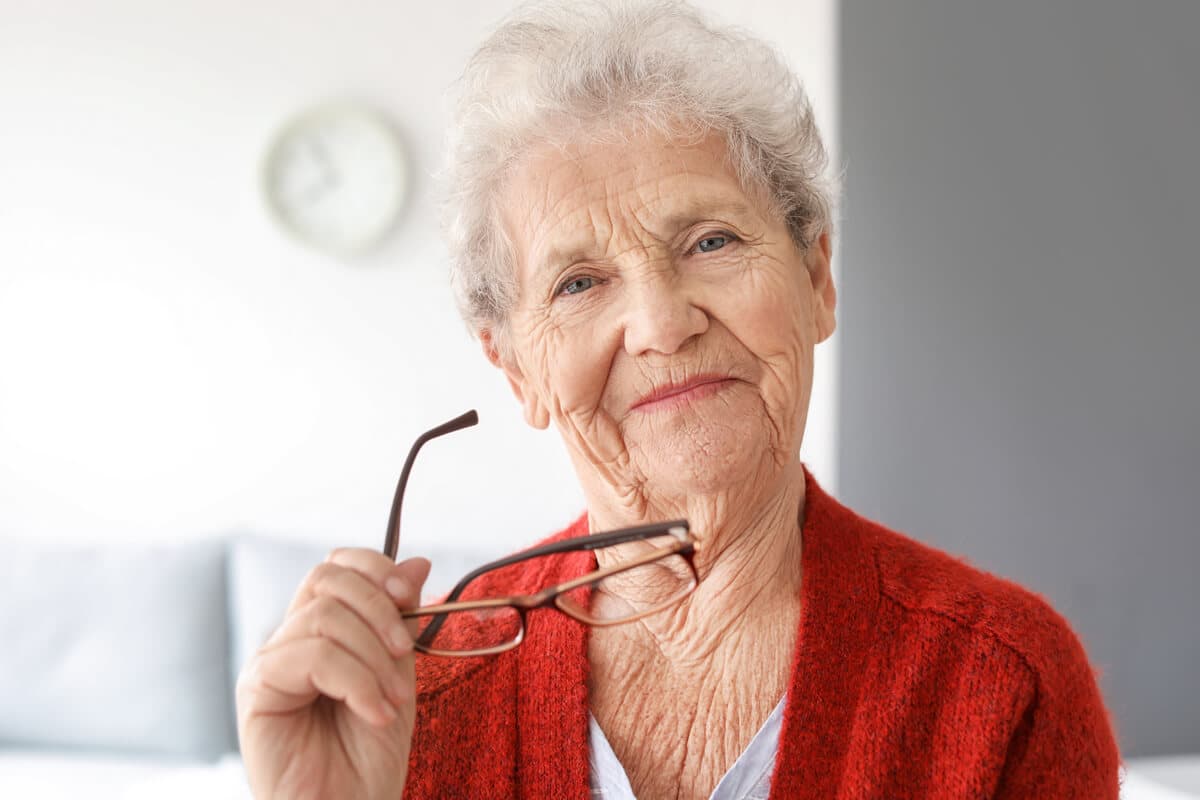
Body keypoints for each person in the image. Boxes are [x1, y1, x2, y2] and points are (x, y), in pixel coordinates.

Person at [235, 1, 1122, 797]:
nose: (660, 323)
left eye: (709, 240)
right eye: (579, 284)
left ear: (817, 279)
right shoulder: (414, 702)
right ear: (516, 372)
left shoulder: (1006, 677)